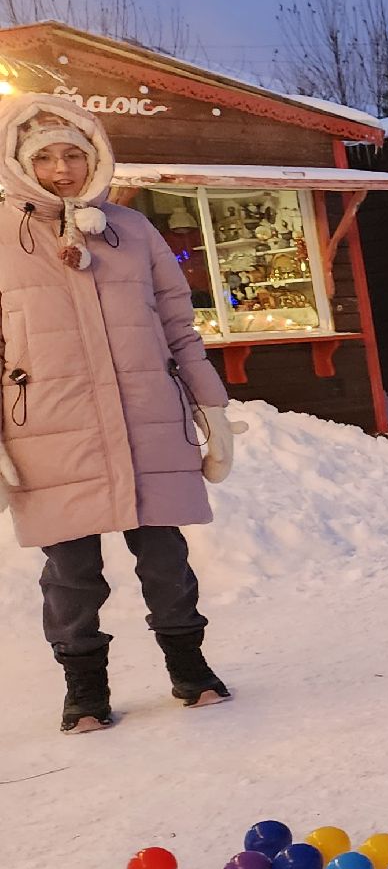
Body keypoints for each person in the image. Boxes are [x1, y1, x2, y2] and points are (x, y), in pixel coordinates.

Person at [0, 94, 243, 733]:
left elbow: (177, 326)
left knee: (166, 557)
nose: (61, 169)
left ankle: (190, 671)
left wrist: (210, 407)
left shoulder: (131, 232)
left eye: (74, 155)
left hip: (146, 420)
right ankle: (84, 692)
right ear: (20, 162)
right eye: (45, 157)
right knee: (71, 573)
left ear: (96, 157)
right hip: (50, 426)